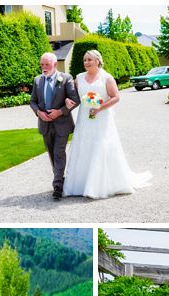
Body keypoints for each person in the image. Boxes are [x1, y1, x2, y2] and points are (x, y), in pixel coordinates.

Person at [63, 49, 150, 199]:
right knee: (83, 146)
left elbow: (116, 97)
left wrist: (99, 108)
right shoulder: (79, 78)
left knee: (100, 146)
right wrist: (67, 100)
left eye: (90, 59)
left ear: (98, 61)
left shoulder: (106, 78)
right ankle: (81, 184)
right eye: (85, 60)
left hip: (101, 118)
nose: (86, 62)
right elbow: (74, 97)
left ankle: (100, 185)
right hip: (84, 118)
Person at [30, 52, 80, 199]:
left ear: (55, 65)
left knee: (59, 153)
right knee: (52, 154)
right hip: (44, 124)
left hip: (62, 124)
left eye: (47, 64)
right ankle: (60, 179)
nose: (44, 67)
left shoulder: (66, 79)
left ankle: (57, 186)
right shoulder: (37, 80)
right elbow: (32, 101)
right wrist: (39, 112)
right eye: (42, 65)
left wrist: (60, 111)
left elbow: (75, 99)